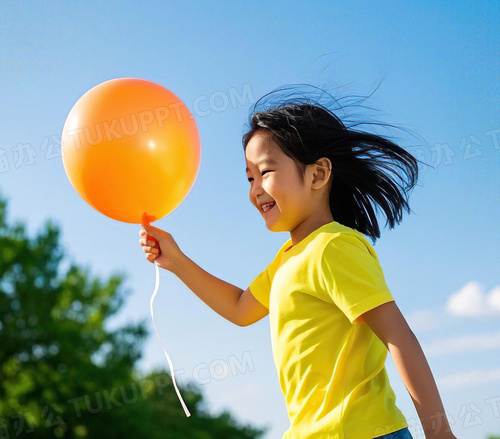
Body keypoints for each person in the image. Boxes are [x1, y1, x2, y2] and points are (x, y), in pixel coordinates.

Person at [139, 85, 456, 439]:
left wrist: (439, 433)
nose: (255, 189)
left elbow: (399, 336)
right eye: (249, 177)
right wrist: (177, 261)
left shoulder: (335, 246)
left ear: (318, 174)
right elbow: (241, 308)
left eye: (265, 172)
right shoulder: (287, 259)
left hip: (362, 431)